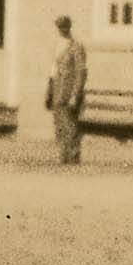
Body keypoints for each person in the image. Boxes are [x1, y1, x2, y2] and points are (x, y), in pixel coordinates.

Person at [45, 13, 89, 166]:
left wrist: (75, 95)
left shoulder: (76, 47)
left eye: (64, 27)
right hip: (57, 90)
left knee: (71, 126)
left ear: (69, 28)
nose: (62, 30)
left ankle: (73, 158)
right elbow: (53, 72)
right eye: (60, 27)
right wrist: (49, 92)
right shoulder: (58, 45)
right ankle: (63, 156)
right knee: (59, 125)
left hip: (69, 92)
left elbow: (81, 72)